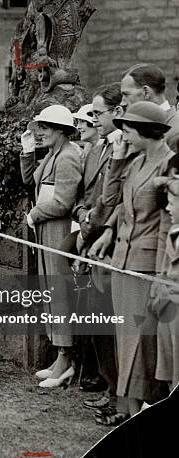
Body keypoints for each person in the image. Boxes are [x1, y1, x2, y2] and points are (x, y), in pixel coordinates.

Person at [88, 101, 174, 424]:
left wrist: (165, 274)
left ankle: (136, 414)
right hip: (122, 263)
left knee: (142, 346)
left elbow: (170, 225)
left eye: (128, 127)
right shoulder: (134, 162)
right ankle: (126, 410)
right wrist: (118, 161)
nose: (122, 132)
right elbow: (108, 204)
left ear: (147, 130)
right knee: (125, 343)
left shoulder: (169, 165)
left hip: (150, 267)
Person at [20, 104, 82, 388]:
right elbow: (30, 181)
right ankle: (60, 355)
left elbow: (63, 202)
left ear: (60, 130)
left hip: (59, 230)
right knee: (49, 290)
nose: (40, 132)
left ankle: (66, 359)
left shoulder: (68, 157)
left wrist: (35, 214)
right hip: (46, 230)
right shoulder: (53, 155)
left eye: (44, 127)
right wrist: (28, 152)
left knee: (59, 292)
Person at [72, 83, 123, 422]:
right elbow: (85, 196)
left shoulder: (125, 150)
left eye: (98, 113)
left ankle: (120, 395)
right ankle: (110, 387)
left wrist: (93, 227)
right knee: (98, 321)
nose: (92, 119)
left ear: (117, 112)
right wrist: (81, 219)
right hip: (90, 237)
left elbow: (114, 202)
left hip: (111, 245)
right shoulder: (95, 150)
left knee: (113, 326)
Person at [152, 172, 179, 390]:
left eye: (172, 203)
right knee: (170, 366)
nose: (167, 209)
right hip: (168, 308)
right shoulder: (173, 231)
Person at [120, 63, 179, 153]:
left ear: (146, 92)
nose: (122, 103)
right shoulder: (137, 127)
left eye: (126, 94)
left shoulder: (175, 132)